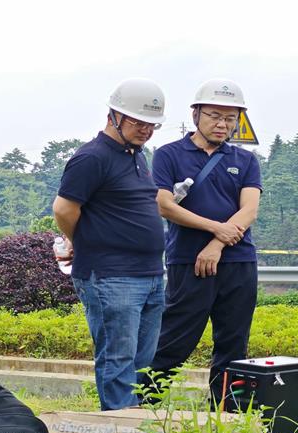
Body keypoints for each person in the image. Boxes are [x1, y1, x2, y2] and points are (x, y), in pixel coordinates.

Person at [144, 79, 262, 405]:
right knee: (175, 340)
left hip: (238, 262)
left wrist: (217, 243)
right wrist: (217, 229)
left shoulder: (246, 160)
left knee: (234, 345)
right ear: (196, 114)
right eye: (214, 116)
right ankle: (140, 406)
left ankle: (227, 414)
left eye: (230, 118)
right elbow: (164, 205)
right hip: (187, 261)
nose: (222, 124)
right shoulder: (169, 155)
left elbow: (249, 210)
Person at [52, 78, 167, 411]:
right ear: (114, 115)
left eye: (152, 125)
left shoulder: (136, 155)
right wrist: (80, 241)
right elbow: (64, 208)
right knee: (118, 359)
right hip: (111, 275)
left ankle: (136, 426)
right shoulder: (92, 157)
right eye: (138, 122)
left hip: (149, 274)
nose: (146, 130)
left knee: (142, 363)